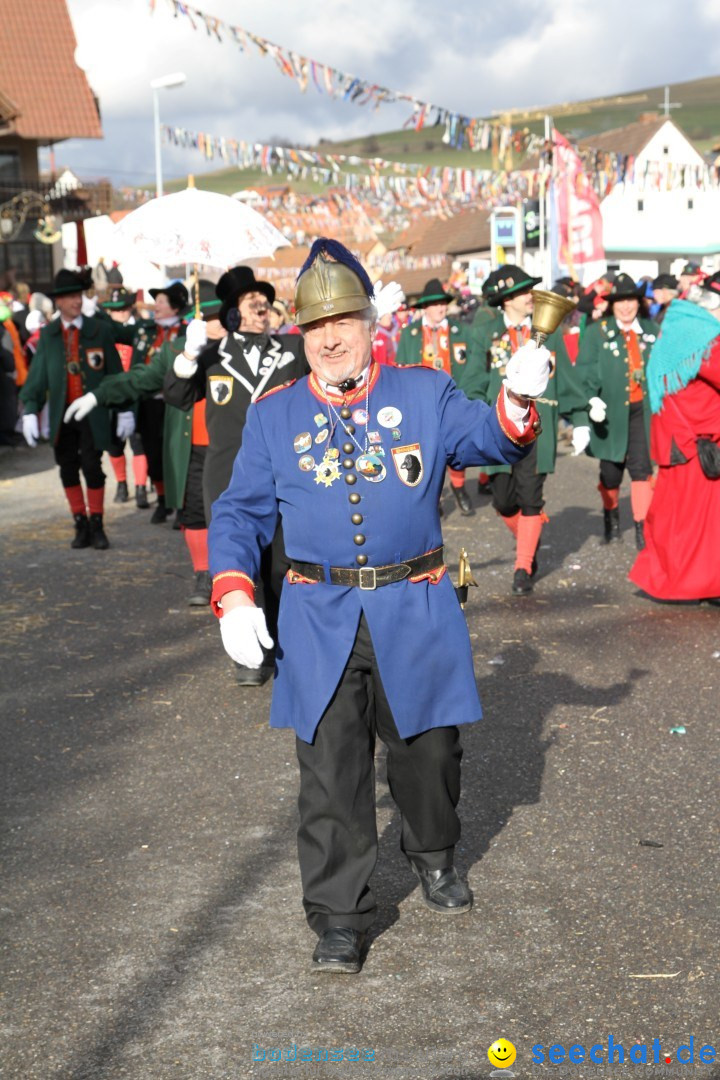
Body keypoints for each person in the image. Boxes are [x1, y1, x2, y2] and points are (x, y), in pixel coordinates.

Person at [208, 238, 551, 973]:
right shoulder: (274, 417)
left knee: (430, 753)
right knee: (329, 769)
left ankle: (432, 851)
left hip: (414, 605)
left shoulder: (423, 392)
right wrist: (234, 594)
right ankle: (339, 914)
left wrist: (517, 400)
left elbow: (489, 439)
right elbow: (237, 514)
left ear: (370, 322)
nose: (328, 338)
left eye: (343, 320)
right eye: (313, 327)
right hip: (318, 614)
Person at [163, 266, 308, 679]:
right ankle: (246, 652)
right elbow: (174, 395)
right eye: (251, 302)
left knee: (282, 564)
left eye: (264, 302)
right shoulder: (213, 357)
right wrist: (188, 356)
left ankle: (279, 644)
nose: (262, 308)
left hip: (285, 474)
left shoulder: (292, 352)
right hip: (228, 478)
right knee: (237, 563)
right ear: (232, 314)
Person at [65, 280, 225, 606]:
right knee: (194, 511)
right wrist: (99, 395)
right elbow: (140, 379)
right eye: (211, 317)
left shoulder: (244, 345)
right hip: (194, 442)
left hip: (236, 444)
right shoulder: (174, 347)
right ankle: (203, 574)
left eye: (223, 316)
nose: (217, 323)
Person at [468, 264, 590, 594]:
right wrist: (469, 418)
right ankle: (528, 539)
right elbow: (474, 380)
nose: (530, 296)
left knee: (531, 496)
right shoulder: (484, 332)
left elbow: (565, 377)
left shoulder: (549, 330)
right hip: (498, 426)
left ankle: (523, 566)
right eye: (523, 292)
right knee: (505, 502)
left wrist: (579, 418)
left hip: (540, 426)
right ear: (506, 301)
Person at [18, 268, 126, 549]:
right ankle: (80, 523)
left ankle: (97, 524)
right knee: (67, 468)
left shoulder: (99, 329)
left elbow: (114, 373)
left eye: (78, 295)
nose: (76, 301)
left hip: (93, 413)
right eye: (69, 297)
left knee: (93, 466)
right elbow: (38, 375)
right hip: (62, 415)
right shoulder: (50, 334)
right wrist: (30, 408)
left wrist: (125, 408)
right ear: (58, 302)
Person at [629, 277, 720, 603]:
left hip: (678, 439)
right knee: (698, 523)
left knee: (677, 518)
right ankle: (694, 583)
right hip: (699, 442)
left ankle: (680, 580)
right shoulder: (706, 338)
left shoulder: (678, 329)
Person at [574, 273, 658, 550]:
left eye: (630, 300)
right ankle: (610, 515)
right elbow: (584, 370)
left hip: (642, 412)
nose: (625, 307)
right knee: (610, 472)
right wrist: (591, 399)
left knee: (641, 470)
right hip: (608, 412)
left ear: (638, 302)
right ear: (612, 304)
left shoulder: (651, 330)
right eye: (620, 301)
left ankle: (641, 528)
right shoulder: (599, 331)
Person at [394, 278, 480, 515]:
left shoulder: (459, 330)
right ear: (425, 307)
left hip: (452, 396)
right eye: (435, 304)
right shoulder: (410, 333)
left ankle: (460, 487)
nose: (440, 308)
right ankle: (436, 497)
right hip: (420, 400)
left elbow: (472, 363)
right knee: (428, 450)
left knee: (457, 444)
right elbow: (401, 368)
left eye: (443, 303)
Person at [107, 281, 189, 523]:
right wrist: (99, 313)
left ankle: (183, 505)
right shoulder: (144, 330)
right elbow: (118, 332)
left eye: (161, 302)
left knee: (178, 453)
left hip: (177, 404)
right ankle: (163, 501)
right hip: (150, 403)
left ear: (174, 308)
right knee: (153, 454)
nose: (156, 307)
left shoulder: (186, 333)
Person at [100, 285, 148, 507]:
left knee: (139, 442)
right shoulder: (104, 330)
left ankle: (140, 488)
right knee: (114, 443)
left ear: (130, 308)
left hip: (137, 392)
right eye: (114, 310)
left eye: (123, 309)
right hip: (113, 393)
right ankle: (121, 483)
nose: (119, 313)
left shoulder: (142, 330)